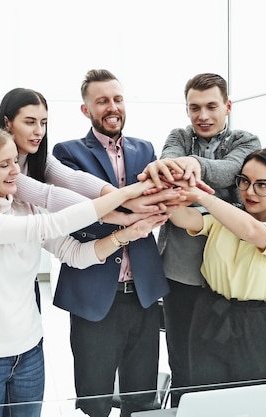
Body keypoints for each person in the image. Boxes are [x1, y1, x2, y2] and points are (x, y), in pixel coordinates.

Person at [0, 87, 173, 409]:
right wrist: (122, 203)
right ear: (7, 124)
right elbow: (52, 211)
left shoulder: (27, 183)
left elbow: (73, 189)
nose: (39, 131)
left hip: (27, 340)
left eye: (44, 122)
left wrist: (129, 226)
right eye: (30, 122)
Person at [137, 73, 261, 406]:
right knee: (182, 361)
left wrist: (192, 166)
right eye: (194, 107)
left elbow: (232, 171)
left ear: (227, 106)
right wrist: (192, 176)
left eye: (211, 106)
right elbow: (167, 166)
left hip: (226, 279)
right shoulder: (178, 135)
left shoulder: (246, 141)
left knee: (221, 363)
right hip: (180, 274)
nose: (202, 115)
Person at [51, 69, 169, 417]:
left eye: (117, 99)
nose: (112, 107)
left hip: (143, 293)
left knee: (141, 396)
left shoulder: (144, 148)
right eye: (102, 101)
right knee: (94, 398)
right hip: (94, 293)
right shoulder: (67, 153)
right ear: (86, 110)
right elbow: (77, 213)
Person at [163, 147, 266, 389]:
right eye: (244, 181)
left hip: (255, 324)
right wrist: (171, 187)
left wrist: (204, 197)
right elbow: (182, 218)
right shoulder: (226, 214)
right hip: (209, 313)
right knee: (204, 396)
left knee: (252, 402)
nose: (250, 191)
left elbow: (251, 231)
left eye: (262, 185)